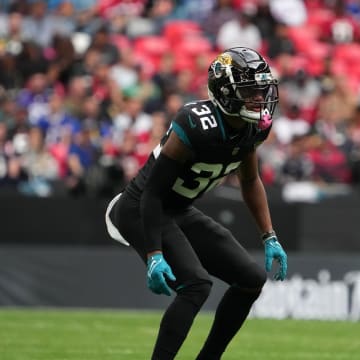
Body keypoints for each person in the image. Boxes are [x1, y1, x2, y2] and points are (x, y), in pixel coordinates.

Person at [105, 47, 288, 360]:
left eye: (262, 90)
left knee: (251, 279)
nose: (260, 98)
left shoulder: (253, 127)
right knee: (196, 285)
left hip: (178, 209)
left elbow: (249, 180)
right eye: (250, 92)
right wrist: (154, 254)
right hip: (141, 207)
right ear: (226, 93)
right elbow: (152, 193)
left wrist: (269, 235)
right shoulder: (195, 123)